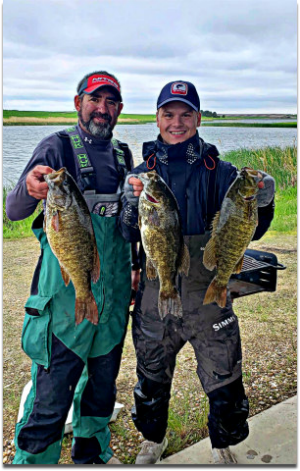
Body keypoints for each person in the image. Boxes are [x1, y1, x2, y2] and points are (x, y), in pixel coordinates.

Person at [119, 80, 275, 464]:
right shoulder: (142, 175)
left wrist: (265, 201)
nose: (177, 122)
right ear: (156, 118)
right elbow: (126, 232)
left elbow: (248, 227)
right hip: (157, 295)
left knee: (224, 378)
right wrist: (127, 205)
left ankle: (221, 442)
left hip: (209, 298)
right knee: (152, 375)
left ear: (198, 118)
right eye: (168, 114)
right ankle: (153, 440)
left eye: (186, 114)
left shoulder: (222, 172)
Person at [6, 71, 138, 464]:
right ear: (78, 102)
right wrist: (29, 187)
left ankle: (92, 453)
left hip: (112, 302)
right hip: (63, 305)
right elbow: (15, 210)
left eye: (110, 102)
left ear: (119, 109)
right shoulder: (56, 147)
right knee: (49, 400)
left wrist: (135, 269)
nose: (102, 109)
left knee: (100, 390)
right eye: (95, 99)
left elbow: (130, 224)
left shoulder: (123, 156)